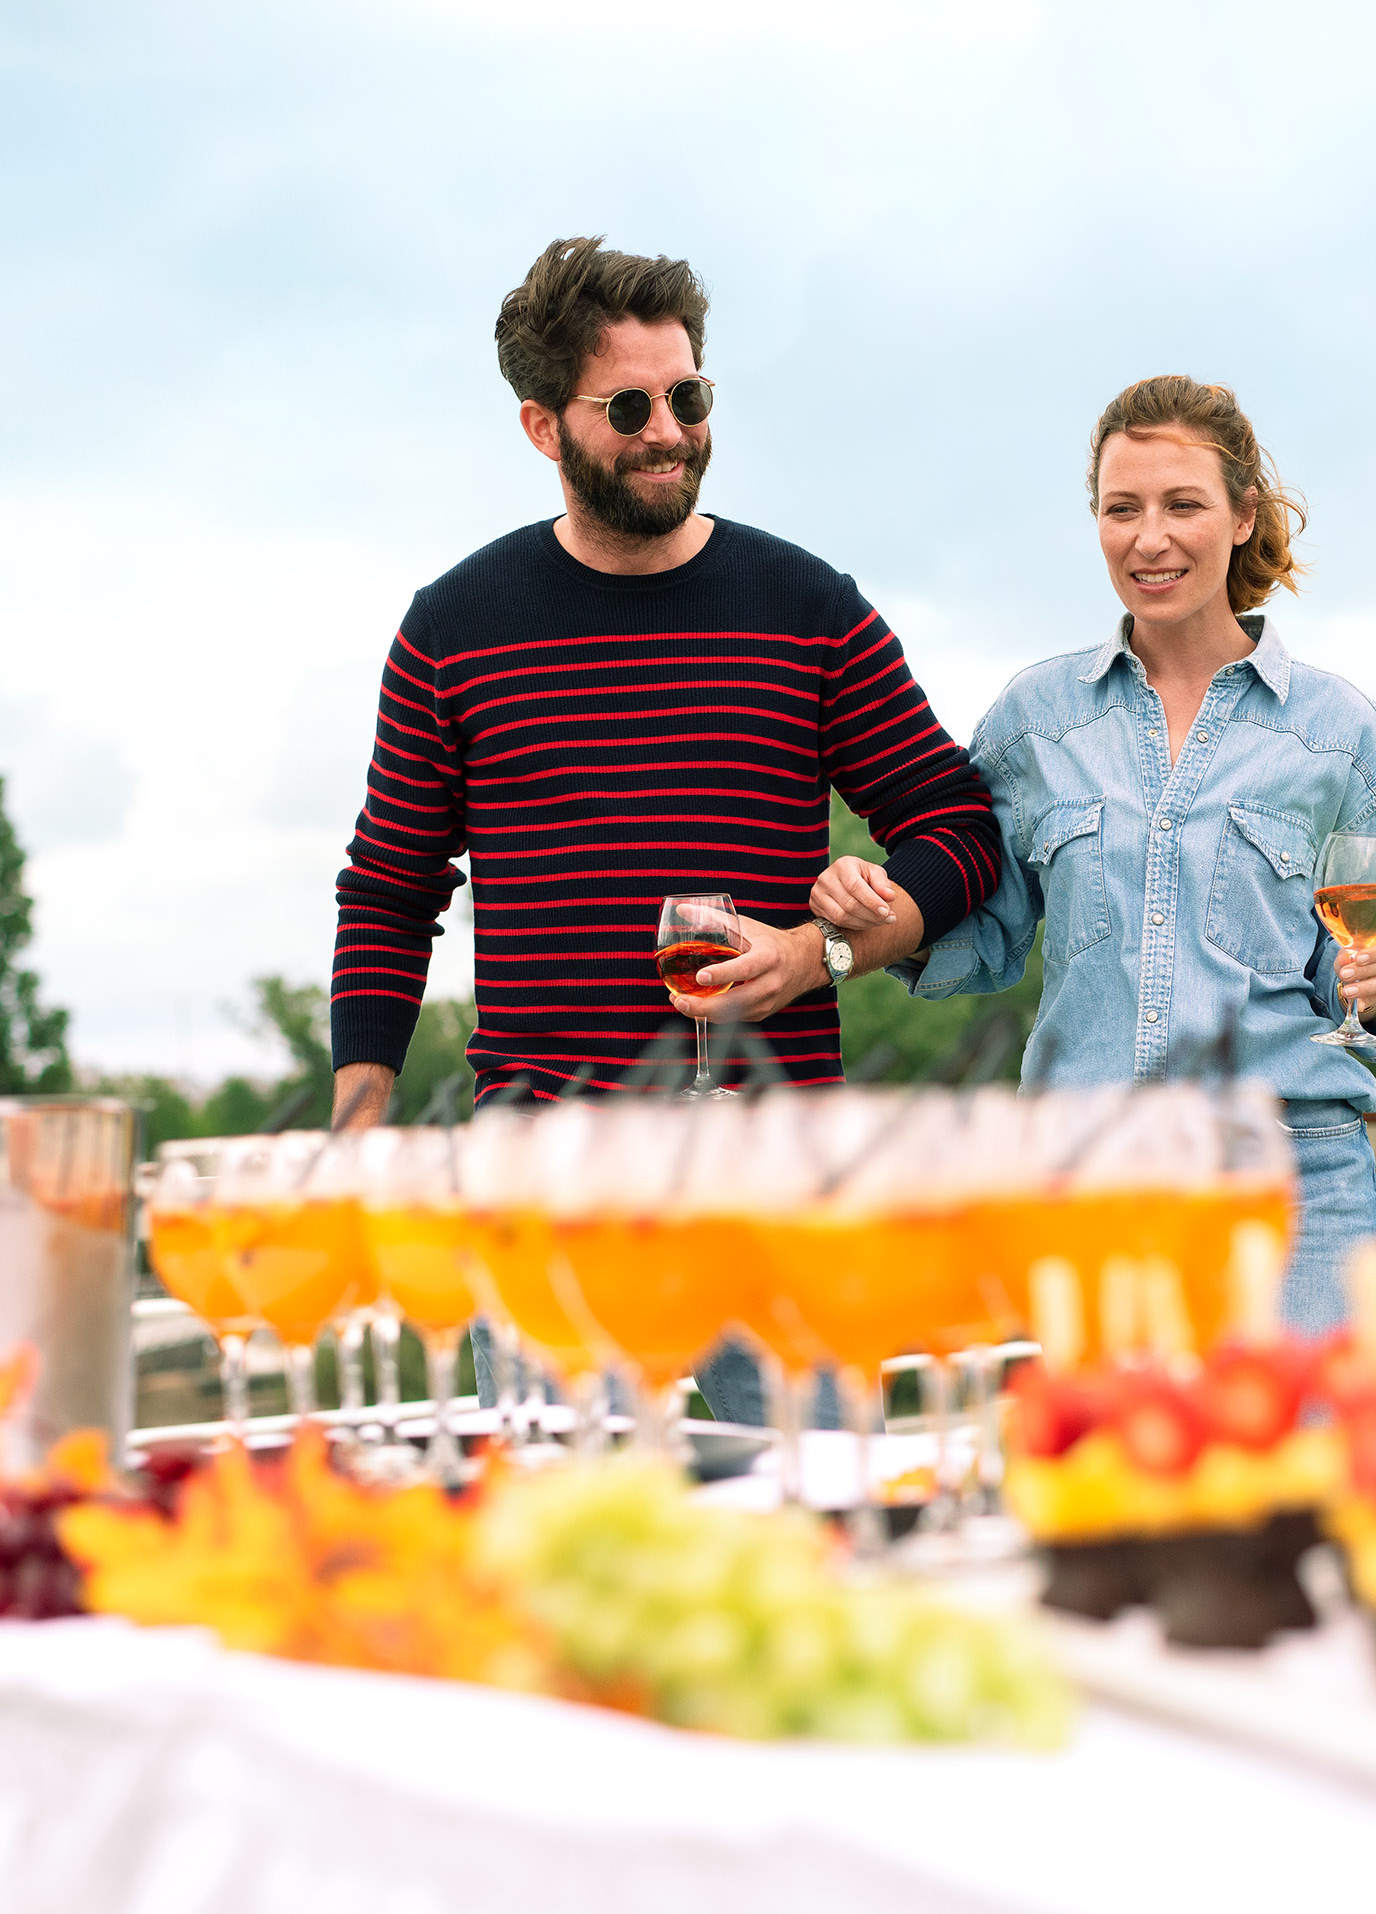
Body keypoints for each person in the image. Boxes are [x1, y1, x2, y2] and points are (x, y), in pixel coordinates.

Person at [327, 237, 1001, 1422]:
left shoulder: (810, 609)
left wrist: (823, 952)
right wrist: (358, 1128)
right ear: (542, 427)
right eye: (628, 407)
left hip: (779, 1168)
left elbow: (959, 827)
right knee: (563, 1525)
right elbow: (389, 889)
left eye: (688, 397)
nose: (669, 432)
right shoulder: (453, 630)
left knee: (811, 1513)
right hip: (544, 1180)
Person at [813, 376, 1376, 1333]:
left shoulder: (1339, 731)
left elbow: (1365, 969)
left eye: (1183, 505)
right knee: (1108, 1437)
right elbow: (987, 933)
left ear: (1242, 515)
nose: (1150, 538)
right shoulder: (1034, 722)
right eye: (1121, 508)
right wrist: (882, 913)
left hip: (1293, 1187)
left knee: (1302, 1437)